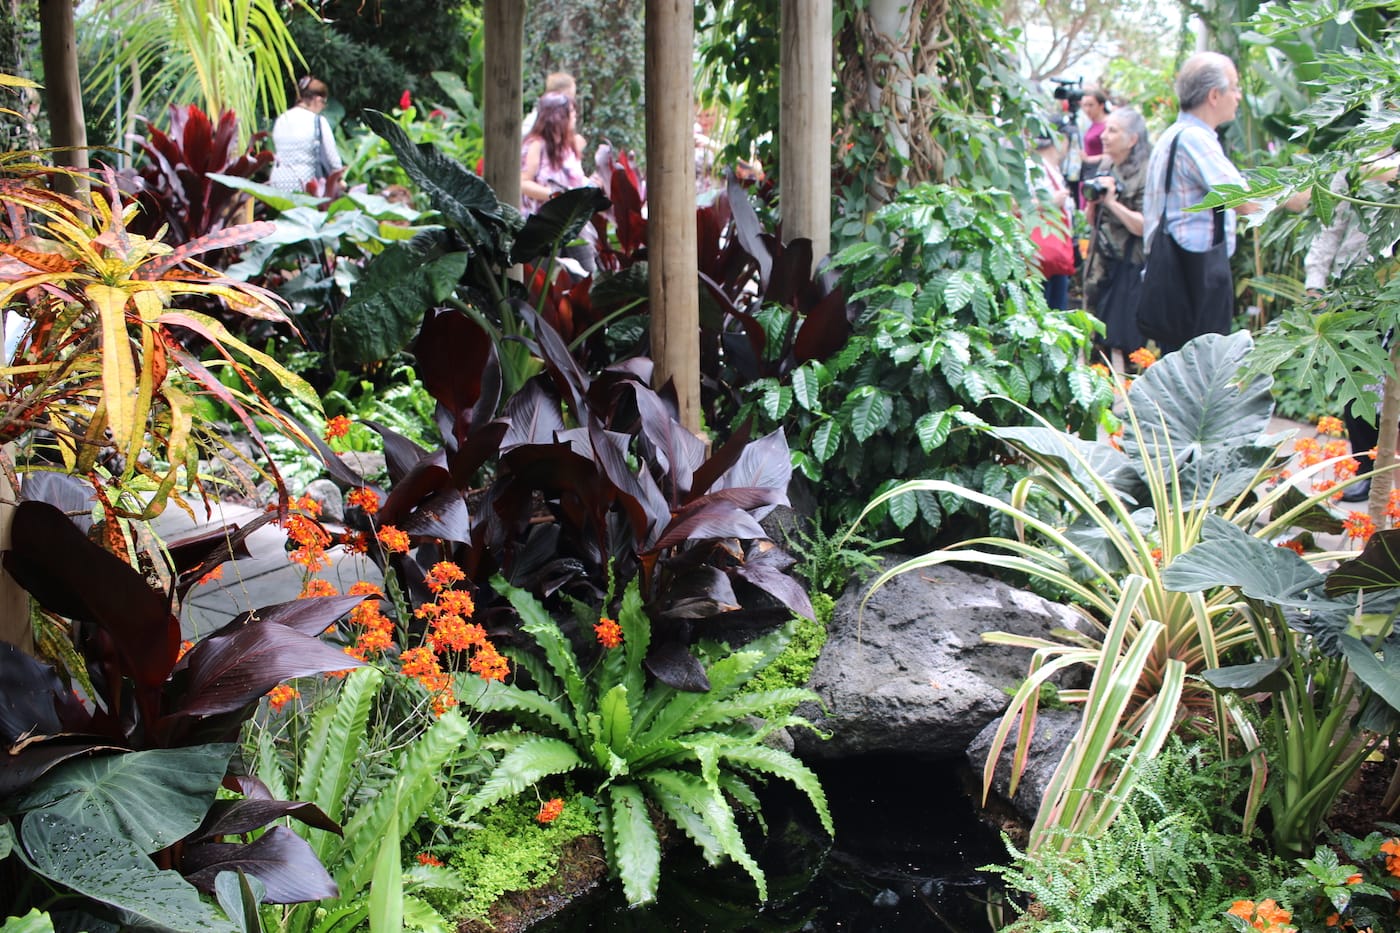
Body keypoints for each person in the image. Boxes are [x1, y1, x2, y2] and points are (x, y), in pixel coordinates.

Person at [1139, 52, 1259, 352]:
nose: (1238, 95)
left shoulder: (1173, 135)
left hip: (1173, 283)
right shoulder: (1195, 139)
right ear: (1214, 95)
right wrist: (1301, 192)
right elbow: (1244, 201)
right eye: (1234, 87)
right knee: (1197, 378)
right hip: (1192, 286)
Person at [1082, 108, 1150, 372]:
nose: (1104, 137)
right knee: (1096, 339)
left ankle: (1132, 405)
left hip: (1130, 265)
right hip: (1101, 264)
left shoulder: (1146, 172)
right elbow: (1093, 221)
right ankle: (1100, 406)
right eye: (1105, 129)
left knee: (1130, 341)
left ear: (1132, 139)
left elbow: (1143, 226)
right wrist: (1095, 203)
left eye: (1113, 130)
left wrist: (1112, 202)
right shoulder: (1106, 165)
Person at [268, 76, 342, 193]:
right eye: (324, 102)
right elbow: (333, 159)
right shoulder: (317, 121)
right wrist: (340, 179)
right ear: (317, 100)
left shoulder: (282, 119)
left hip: (278, 183)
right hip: (304, 183)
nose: (323, 107)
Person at [1029, 131, 1075, 310]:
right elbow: (1015, 205)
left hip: (1054, 256)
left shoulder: (1053, 169)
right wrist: (1049, 203)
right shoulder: (1031, 166)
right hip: (1040, 255)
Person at [1079, 86, 1112, 185]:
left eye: (1091, 105)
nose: (1087, 109)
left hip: (1100, 173)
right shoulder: (1090, 124)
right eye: (1084, 105)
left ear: (1101, 105)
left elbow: (1113, 154)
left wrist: (1090, 159)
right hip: (1087, 173)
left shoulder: (1109, 125)